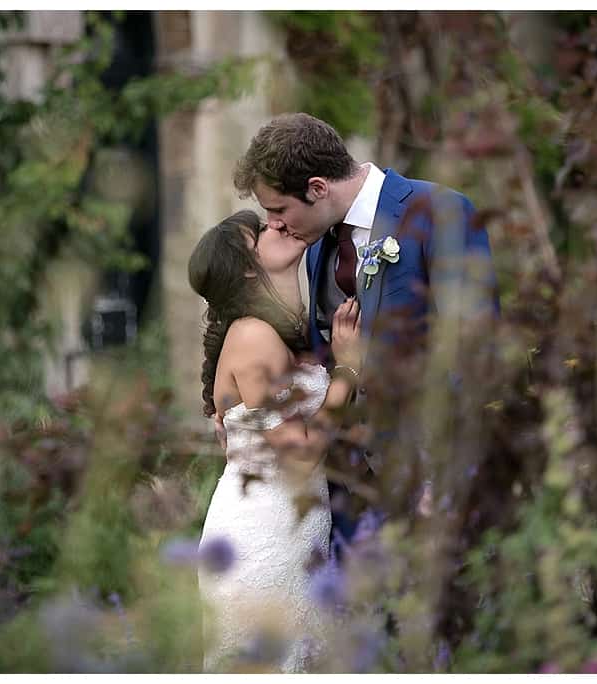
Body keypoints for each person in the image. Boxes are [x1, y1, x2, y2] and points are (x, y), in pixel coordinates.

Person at [232, 112, 498, 558]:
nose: (274, 224)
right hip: (351, 490)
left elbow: (475, 350)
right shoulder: (316, 244)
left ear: (318, 188)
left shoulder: (438, 211)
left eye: (278, 209)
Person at [188, 210, 363, 673]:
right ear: (248, 267)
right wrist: (347, 371)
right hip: (261, 539)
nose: (279, 224)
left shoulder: (281, 329)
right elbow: (301, 456)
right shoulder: (252, 336)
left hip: (297, 530)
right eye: (262, 230)